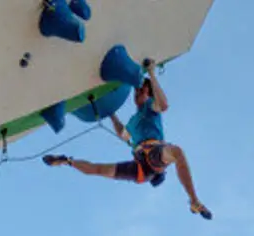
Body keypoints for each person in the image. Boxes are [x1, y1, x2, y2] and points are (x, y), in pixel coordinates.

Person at [42, 60, 211, 220]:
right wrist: (111, 114)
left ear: (149, 94)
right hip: (141, 166)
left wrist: (152, 73)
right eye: (136, 91)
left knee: (177, 152)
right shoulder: (132, 121)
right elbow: (122, 133)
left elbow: (164, 105)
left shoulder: (151, 107)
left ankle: (194, 201)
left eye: (142, 91)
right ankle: (67, 161)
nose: (137, 93)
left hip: (151, 158)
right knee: (98, 169)